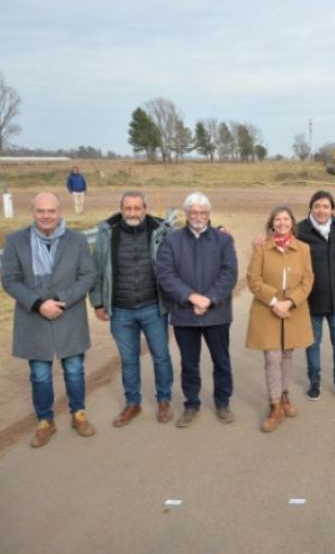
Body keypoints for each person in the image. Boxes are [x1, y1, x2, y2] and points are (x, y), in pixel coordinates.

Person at [1, 192, 97, 448]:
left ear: (59, 212)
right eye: (40, 211)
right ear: (33, 212)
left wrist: (60, 299)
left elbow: (88, 275)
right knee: (40, 374)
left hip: (69, 314)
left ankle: (78, 414)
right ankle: (45, 421)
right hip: (33, 317)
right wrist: (38, 304)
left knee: (74, 370)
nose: (46, 216)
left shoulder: (76, 241)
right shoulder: (15, 241)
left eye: (51, 211)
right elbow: (9, 279)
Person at [89, 191, 174, 426]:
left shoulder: (160, 229)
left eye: (137, 208)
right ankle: (132, 403)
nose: (133, 213)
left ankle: (164, 400)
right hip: (121, 310)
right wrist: (98, 302)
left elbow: (187, 243)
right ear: (121, 208)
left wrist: (218, 228)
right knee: (128, 360)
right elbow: (97, 269)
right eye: (128, 208)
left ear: (145, 209)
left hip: (153, 307)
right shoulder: (108, 232)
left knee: (162, 357)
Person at [157, 192, 238, 427]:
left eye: (203, 212)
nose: (198, 216)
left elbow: (229, 273)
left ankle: (223, 402)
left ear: (209, 214)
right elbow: (165, 274)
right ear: (186, 214)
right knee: (189, 363)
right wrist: (191, 297)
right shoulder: (171, 241)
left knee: (221, 360)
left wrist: (210, 299)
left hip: (217, 313)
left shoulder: (224, 240)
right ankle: (191, 404)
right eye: (194, 212)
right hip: (185, 314)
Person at [246, 206, 314, 432]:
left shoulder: (303, 249)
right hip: (268, 311)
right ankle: (275, 405)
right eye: (278, 219)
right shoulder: (262, 248)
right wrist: (276, 302)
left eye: (286, 219)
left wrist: (291, 302)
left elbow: (307, 280)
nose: (282, 223)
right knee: (272, 357)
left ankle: (285, 396)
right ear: (272, 224)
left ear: (292, 223)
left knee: (286, 355)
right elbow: (253, 280)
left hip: (293, 311)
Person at [296, 191, 335, 402]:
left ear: (332, 209)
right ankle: (314, 382)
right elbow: (279, 238)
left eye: (326, 206)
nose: (321, 210)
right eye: (317, 206)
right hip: (311, 299)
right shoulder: (300, 229)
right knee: (313, 343)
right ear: (310, 208)